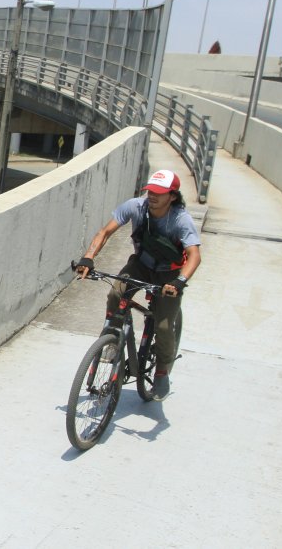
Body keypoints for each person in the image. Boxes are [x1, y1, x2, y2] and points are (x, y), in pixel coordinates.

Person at [74, 169, 202, 401]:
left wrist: (179, 282)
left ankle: (162, 371)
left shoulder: (180, 219)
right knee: (116, 294)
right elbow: (105, 232)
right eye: (150, 191)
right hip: (141, 264)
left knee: (163, 327)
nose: (152, 196)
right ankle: (113, 337)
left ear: (172, 196)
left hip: (168, 275)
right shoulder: (136, 206)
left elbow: (194, 255)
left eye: (159, 193)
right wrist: (88, 257)